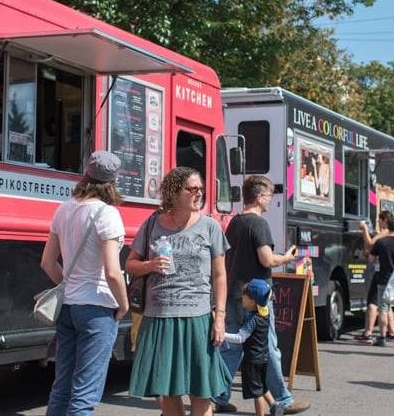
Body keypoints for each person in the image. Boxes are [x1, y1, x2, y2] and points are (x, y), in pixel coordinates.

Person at [126, 167, 231, 416]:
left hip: (198, 319)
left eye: (201, 189)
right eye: (192, 189)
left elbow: (220, 275)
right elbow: (130, 264)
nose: (199, 193)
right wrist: (150, 265)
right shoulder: (152, 223)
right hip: (159, 318)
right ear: (174, 193)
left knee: (201, 393)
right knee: (168, 392)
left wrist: (219, 318)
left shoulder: (210, 226)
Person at [40, 150, 130, 416]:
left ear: (86, 175)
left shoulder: (63, 209)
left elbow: (47, 263)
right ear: (112, 181)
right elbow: (112, 272)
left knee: (62, 387)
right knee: (84, 395)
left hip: (68, 308)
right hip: (98, 309)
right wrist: (123, 305)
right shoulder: (107, 214)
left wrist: (69, 286)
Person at [213, 176, 309, 415]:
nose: (270, 200)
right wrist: (287, 257)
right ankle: (283, 400)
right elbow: (267, 259)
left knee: (231, 348)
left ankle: (218, 396)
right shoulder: (259, 224)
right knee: (267, 346)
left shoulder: (234, 223)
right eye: (268, 196)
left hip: (234, 293)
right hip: (257, 298)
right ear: (259, 196)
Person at [223, 280, 284, 416]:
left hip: (252, 360)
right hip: (263, 357)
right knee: (262, 386)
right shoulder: (264, 313)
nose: (241, 298)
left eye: (243, 296)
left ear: (252, 301)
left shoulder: (253, 320)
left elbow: (240, 338)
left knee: (257, 394)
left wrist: (223, 335)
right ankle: (275, 405)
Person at [360, 212, 394, 346]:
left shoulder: (381, 243)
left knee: (383, 309)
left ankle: (382, 338)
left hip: (384, 279)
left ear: (388, 226)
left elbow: (371, 259)